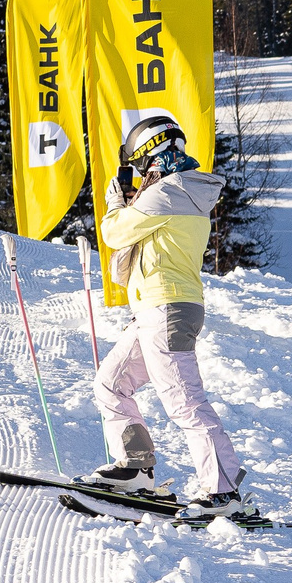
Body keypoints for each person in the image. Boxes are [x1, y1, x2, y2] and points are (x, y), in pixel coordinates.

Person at [86, 112, 251, 519]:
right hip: (155, 309)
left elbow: (113, 233)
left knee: (184, 402)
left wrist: (116, 202)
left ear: (152, 155)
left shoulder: (170, 192)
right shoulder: (176, 191)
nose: (139, 173)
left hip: (167, 309)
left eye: (140, 164)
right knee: (111, 383)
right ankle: (134, 468)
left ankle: (224, 492)